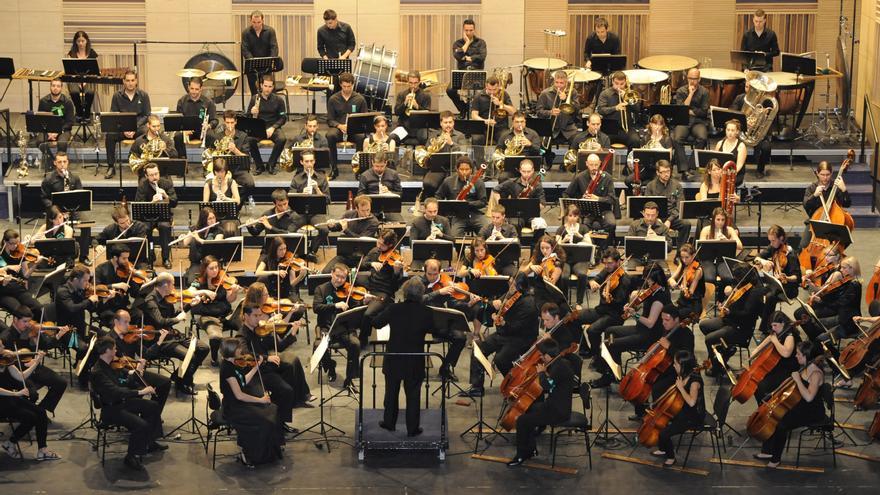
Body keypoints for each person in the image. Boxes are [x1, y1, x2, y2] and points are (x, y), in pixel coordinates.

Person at [89, 336, 165, 471]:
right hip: (111, 409)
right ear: (107, 351)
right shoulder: (98, 372)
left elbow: (124, 382)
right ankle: (131, 457)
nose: (116, 350)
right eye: (114, 348)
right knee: (142, 425)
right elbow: (116, 391)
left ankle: (150, 442)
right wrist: (140, 392)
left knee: (153, 407)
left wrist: (138, 370)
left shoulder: (110, 365)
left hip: (122, 402)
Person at [593, 262, 671, 388]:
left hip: (648, 336)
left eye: (648, 279)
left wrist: (635, 315)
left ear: (655, 280)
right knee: (610, 331)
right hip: (640, 329)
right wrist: (630, 305)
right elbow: (641, 302)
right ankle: (613, 371)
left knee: (610, 344)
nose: (646, 282)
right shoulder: (654, 291)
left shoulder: (659, 299)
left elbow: (650, 323)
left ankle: (610, 376)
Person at [372, 278, 434, 436]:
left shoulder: (394, 308)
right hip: (414, 360)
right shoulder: (426, 311)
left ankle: (389, 423)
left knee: (391, 392)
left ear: (405, 293)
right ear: (421, 294)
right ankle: (412, 429)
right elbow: (436, 330)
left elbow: (377, 323)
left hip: (394, 358)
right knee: (413, 395)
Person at [461, 274, 538, 398]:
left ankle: (514, 385)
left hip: (520, 338)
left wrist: (503, 322)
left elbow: (518, 328)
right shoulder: (510, 294)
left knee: (501, 359)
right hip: (504, 333)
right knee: (478, 348)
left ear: (521, 286)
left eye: (513, 284)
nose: (510, 286)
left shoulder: (528, 304)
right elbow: (494, 306)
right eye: (510, 283)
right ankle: (476, 387)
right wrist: (487, 303)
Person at [239, 304, 313, 432]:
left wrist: (293, 331)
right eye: (255, 316)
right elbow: (246, 355)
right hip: (257, 372)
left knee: (289, 367)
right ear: (246, 316)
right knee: (287, 390)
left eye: (260, 315)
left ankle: (279, 414)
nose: (259, 319)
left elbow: (280, 346)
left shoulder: (260, 330)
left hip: (266, 365)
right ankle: (278, 420)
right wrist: (267, 358)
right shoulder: (242, 335)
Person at [754, 342, 825, 468]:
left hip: (812, 411)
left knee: (780, 423)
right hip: (800, 404)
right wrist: (774, 393)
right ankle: (767, 451)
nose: (796, 356)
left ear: (806, 356)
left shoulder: (816, 374)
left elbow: (809, 397)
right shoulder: (805, 366)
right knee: (773, 415)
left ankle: (775, 459)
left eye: (798, 354)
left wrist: (797, 380)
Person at [506, 339, 575, 467]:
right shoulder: (559, 363)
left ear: (548, 356)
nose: (541, 358)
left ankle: (521, 455)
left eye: (542, 356)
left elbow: (547, 386)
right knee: (528, 410)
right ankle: (531, 449)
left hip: (558, 411)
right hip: (553, 405)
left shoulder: (559, 367)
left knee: (522, 421)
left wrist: (542, 373)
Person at [218, 337, 284, 467]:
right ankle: (252, 454)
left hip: (237, 403)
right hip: (233, 408)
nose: (241, 350)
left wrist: (256, 367)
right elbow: (240, 395)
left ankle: (271, 449)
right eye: (238, 348)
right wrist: (260, 400)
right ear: (232, 351)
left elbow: (242, 381)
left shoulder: (233, 364)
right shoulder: (227, 369)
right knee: (266, 419)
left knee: (273, 409)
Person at [0, 306, 69, 415]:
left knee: (61, 383)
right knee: (32, 394)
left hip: (33, 367)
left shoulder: (31, 331)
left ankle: (41, 410)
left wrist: (58, 335)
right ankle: (25, 414)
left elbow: (46, 345)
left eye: (29, 321)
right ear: (15, 319)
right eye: (24, 321)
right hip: (17, 373)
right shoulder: (5, 337)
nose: (28, 324)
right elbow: (4, 362)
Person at [420, 259, 479, 380]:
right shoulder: (418, 282)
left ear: (440, 272)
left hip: (438, 322)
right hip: (420, 322)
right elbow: (416, 298)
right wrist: (438, 292)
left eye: (435, 274)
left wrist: (468, 305)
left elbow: (454, 303)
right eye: (429, 274)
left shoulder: (445, 283)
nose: (432, 277)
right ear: (424, 271)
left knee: (460, 337)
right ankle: (417, 368)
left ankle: (445, 367)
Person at [700, 265, 764, 377]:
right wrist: (724, 303)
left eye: (737, 278)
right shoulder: (740, 285)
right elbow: (733, 301)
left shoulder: (755, 293)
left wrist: (730, 312)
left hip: (741, 328)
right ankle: (725, 350)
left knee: (709, 339)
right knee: (704, 325)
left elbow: (746, 314)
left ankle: (717, 367)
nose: (735, 281)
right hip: (730, 320)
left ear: (744, 278)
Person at [0, 347, 61, 461]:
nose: (4, 348)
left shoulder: (7, 362)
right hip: (3, 403)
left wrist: (37, 361)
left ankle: (43, 450)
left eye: (2, 345)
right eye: (0, 347)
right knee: (31, 418)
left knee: (41, 412)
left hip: (12, 398)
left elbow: (21, 376)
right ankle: (10, 443)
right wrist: (16, 394)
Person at [312, 263, 366, 390]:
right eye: (337, 276)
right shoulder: (321, 289)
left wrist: (363, 302)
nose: (340, 280)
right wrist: (335, 305)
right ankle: (330, 366)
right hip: (327, 327)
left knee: (355, 344)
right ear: (332, 273)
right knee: (317, 346)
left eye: (343, 277)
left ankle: (349, 378)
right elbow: (316, 307)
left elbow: (355, 308)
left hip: (344, 328)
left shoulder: (349, 291)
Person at [649, 350, 705, 466]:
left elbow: (691, 402)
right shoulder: (684, 374)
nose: (673, 365)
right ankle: (663, 448)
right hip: (684, 410)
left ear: (683, 366)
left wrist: (680, 388)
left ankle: (671, 457)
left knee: (664, 433)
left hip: (693, 416)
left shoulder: (695, 381)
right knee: (661, 423)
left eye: (675, 363)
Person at [108, 310, 172, 406]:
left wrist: (159, 341)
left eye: (129, 322)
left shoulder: (132, 337)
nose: (128, 325)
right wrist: (131, 371)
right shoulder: (108, 340)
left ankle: (152, 414)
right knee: (141, 389)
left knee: (165, 382)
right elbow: (110, 365)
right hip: (120, 375)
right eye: (125, 322)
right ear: (116, 322)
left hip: (135, 371)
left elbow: (146, 354)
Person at [795, 256, 862, 348]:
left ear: (852, 268)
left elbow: (838, 304)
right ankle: (815, 346)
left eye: (844, 268)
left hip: (847, 321)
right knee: (813, 324)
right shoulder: (847, 281)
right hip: (841, 314)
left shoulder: (854, 285)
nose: (841, 270)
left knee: (819, 336)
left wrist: (821, 301)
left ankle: (830, 354)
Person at [579, 248, 630, 362]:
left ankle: (596, 355)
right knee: (574, 316)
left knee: (592, 330)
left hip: (614, 315)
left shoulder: (625, 279)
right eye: (605, 263)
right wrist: (592, 282)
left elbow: (620, 302)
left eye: (610, 263)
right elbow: (596, 279)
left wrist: (609, 298)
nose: (607, 266)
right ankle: (585, 349)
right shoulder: (607, 271)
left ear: (618, 262)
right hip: (601, 310)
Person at [39, 152, 91, 263]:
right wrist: (57, 210)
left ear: (68, 162)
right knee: (54, 227)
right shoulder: (48, 179)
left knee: (87, 224)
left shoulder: (74, 177)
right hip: (57, 210)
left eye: (64, 161)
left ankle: (84, 256)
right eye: (59, 162)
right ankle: (58, 255)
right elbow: (44, 198)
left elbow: (80, 194)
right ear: (55, 163)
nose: (62, 164)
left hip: (73, 209)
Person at [189, 255, 242, 364]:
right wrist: (204, 291)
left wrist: (235, 292)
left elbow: (230, 299)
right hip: (208, 317)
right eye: (211, 268)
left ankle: (239, 354)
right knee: (215, 336)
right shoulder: (198, 281)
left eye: (216, 267)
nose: (215, 271)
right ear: (205, 269)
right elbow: (189, 292)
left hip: (226, 316)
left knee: (245, 327)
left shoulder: (223, 280)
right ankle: (214, 358)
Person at [359, 230, 407, 349]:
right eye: (378, 242)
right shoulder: (375, 251)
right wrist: (371, 264)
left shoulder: (396, 260)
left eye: (382, 245)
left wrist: (396, 272)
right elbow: (362, 263)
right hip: (368, 286)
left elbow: (395, 287)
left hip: (383, 292)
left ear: (390, 245)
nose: (379, 246)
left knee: (367, 314)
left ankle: (363, 338)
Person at [564, 152, 617, 255]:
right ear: (586, 164)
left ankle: (602, 249)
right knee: (585, 225)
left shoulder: (607, 177)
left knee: (611, 224)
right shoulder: (580, 177)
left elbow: (612, 199)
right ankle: (590, 250)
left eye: (596, 165)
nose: (594, 167)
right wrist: (580, 199)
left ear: (600, 163)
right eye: (591, 164)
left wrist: (598, 198)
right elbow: (566, 194)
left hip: (604, 209)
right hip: (587, 210)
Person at [55, 264, 98, 388]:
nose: (87, 283)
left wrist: (97, 301)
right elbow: (72, 308)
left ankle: (82, 365)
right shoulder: (63, 292)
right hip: (67, 331)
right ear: (75, 280)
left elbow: (90, 308)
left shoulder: (81, 289)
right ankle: (83, 379)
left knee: (104, 340)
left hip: (81, 326)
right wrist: (89, 301)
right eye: (85, 280)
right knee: (83, 348)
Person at [754, 225, 801, 334]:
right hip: (777, 284)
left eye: (773, 240)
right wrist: (764, 262)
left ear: (781, 238)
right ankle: (773, 320)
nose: (771, 243)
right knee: (755, 292)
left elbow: (797, 278)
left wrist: (787, 277)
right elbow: (757, 257)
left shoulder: (791, 254)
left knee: (770, 296)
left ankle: (766, 329)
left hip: (789, 287)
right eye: (770, 241)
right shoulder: (774, 247)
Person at [106, 69, 151, 179]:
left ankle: (144, 165)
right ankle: (111, 166)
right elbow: (114, 114)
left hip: (138, 129)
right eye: (128, 80)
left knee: (147, 133)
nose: (130, 83)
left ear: (136, 81)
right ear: (123, 82)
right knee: (109, 135)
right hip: (122, 129)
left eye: (132, 80)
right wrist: (124, 129)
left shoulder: (144, 95)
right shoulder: (117, 96)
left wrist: (134, 127)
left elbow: (147, 115)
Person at [288, 148, 331, 261]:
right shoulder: (296, 179)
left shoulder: (322, 178)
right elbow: (290, 200)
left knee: (324, 230)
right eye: (306, 161)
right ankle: (299, 251)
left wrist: (317, 189)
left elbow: (328, 200)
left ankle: (312, 250)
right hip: (300, 212)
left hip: (316, 213)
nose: (309, 164)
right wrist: (302, 194)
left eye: (311, 161)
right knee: (289, 229)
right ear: (302, 162)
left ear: (314, 161)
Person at [134, 162, 178, 268]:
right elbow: (138, 205)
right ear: (146, 176)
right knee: (144, 228)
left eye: (156, 174)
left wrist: (166, 196)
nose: (155, 177)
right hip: (147, 217)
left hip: (163, 216)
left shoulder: (167, 183)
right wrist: (151, 203)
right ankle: (149, 255)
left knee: (164, 226)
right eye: (151, 175)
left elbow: (175, 202)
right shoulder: (142, 186)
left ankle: (165, 258)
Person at [750, 311, 800, 404]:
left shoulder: (790, 336)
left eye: (775, 325)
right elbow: (759, 348)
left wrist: (775, 341)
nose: (773, 328)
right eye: (772, 326)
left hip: (788, 369)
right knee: (757, 382)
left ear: (783, 323)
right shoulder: (777, 332)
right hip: (779, 365)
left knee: (760, 386)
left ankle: (767, 407)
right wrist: (753, 355)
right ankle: (763, 406)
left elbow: (786, 353)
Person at [322, 195, 380, 272]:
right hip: (346, 254)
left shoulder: (374, 222)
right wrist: (331, 225)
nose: (366, 213)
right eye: (363, 211)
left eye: (368, 210)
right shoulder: (349, 215)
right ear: (356, 208)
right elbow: (337, 227)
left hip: (363, 257)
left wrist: (346, 230)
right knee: (326, 272)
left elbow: (361, 239)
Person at [801, 160, 851, 249]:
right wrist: (814, 195)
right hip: (815, 223)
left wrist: (844, 190)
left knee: (835, 249)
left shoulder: (836, 187)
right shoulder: (812, 188)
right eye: (822, 175)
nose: (825, 178)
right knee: (803, 245)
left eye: (827, 175)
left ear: (831, 173)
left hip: (832, 224)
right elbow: (806, 205)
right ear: (817, 173)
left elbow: (847, 204)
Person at [435, 155, 489, 237]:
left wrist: (467, 204)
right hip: (457, 216)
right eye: (461, 169)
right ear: (457, 170)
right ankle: (460, 250)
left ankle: (478, 248)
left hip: (475, 214)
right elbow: (438, 197)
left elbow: (483, 202)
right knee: (454, 236)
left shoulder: (478, 182)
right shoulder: (448, 181)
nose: (464, 172)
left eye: (467, 169)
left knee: (487, 232)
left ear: (471, 170)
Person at [326, 72, 368, 178]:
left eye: (349, 86)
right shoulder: (333, 99)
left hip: (354, 130)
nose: (346, 89)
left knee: (361, 137)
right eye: (344, 86)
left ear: (352, 85)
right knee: (330, 135)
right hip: (339, 129)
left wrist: (353, 127)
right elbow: (330, 120)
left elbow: (365, 119)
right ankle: (334, 168)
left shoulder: (360, 99)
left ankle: (359, 169)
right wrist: (339, 126)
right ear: (340, 85)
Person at [422, 112, 470, 199]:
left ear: (453, 123)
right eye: (445, 122)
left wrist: (451, 143)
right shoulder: (434, 135)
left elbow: (464, 152)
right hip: (437, 168)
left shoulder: (460, 136)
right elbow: (427, 151)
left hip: (455, 169)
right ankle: (431, 202)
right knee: (428, 183)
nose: (448, 125)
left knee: (453, 185)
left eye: (450, 122)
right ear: (441, 123)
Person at [94, 243, 144, 327]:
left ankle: (135, 339)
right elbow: (95, 288)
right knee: (118, 322)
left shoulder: (126, 270)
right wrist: (114, 285)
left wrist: (135, 279)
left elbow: (134, 293)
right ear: (115, 258)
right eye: (124, 258)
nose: (127, 261)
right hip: (106, 308)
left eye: (127, 258)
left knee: (139, 314)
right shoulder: (101, 269)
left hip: (123, 306)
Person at [247, 75, 287, 175]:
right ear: (261, 86)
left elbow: (283, 118)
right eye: (265, 86)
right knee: (249, 139)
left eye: (270, 86)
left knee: (282, 139)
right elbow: (247, 117)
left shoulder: (279, 100)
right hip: (259, 127)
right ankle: (259, 165)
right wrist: (252, 113)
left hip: (273, 127)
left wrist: (273, 128)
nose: (267, 89)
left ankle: (271, 164)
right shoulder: (254, 99)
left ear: (273, 87)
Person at [671, 68, 709, 177]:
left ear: (699, 79)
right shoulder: (681, 91)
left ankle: (691, 167)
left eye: (695, 79)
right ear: (687, 78)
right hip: (684, 121)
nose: (692, 81)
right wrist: (691, 94)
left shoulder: (704, 92)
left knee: (702, 137)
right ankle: (684, 170)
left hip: (698, 122)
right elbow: (681, 109)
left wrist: (691, 111)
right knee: (676, 138)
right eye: (690, 78)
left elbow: (704, 112)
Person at [491, 159, 546, 230]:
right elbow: (495, 190)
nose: (526, 174)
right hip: (516, 216)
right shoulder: (512, 182)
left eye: (529, 171)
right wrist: (501, 206)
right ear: (520, 170)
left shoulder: (537, 185)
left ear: (533, 170)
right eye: (524, 171)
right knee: (515, 224)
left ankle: (536, 241)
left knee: (540, 224)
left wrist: (528, 202)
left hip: (532, 215)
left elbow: (543, 204)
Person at [645, 160, 690, 247]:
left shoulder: (677, 185)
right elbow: (648, 205)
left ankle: (679, 254)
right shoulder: (650, 186)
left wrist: (670, 220)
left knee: (686, 224)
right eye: (663, 172)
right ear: (658, 173)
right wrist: (656, 219)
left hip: (672, 217)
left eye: (668, 171)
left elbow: (680, 204)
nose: (666, 174)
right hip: (656, 217)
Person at [447, 19, 487, 114]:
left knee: (483, 93)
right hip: (462, 73)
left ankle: (476, 112)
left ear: (474, 30)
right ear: (463, 30)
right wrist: (467, 42)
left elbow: (482, 57)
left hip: (477, 73)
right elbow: (457, 56)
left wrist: (468, 58)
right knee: (450, 90)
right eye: (466, 30)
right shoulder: (457, 43)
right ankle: (463, 109)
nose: (468, 32)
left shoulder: (481, 43)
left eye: (471, 30)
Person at [626, 114, 674, 192]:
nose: (657, 127)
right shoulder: (646, 138)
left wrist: (660, 148)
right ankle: (638, 191)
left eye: (660, 124)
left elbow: (670, 158)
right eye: (655, 124)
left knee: (654, 185)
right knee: (628, 180)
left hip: (660, 170)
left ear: (662, 126)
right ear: (651, 125)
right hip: (647, 168)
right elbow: (641, 155)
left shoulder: (666, 139)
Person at [557, 204, 594, 304]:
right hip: (566, 260)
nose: (572, 218)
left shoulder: (583, 228)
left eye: (575, 216)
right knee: (564, 277)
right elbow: (556, 247)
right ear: (566, 216)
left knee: (582, 275)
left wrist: (580, 236)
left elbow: (590, 245)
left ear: (578, 217)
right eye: (570, 215)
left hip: (580, 260)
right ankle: (564, 301)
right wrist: (564, 240)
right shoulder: (561, 229)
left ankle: (579, 302)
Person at [212, 111, 255, 196]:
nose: (230, 125)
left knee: (250, 184)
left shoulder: (243, 136)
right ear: (224, 122)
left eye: (232, 122)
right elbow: (212, 155)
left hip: (238, 169)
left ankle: (236, 204)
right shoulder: (218, 136)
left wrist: (235, 150)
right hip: (222, 170)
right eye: (227, 122)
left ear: (236, 122)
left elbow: (247, 157)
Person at [0, 230, 42, 315]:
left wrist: (35, 265)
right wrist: (7, 267)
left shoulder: (20, 252)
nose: (15, 246)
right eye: (12, 243)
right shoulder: (1, 255)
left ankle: (38, 327)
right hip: (3, 292)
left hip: (18, 288)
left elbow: (25, 275)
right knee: (21, 312)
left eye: (17, 243)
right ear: (5, 242)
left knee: (37, 307)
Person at [173, 77, 217, 160]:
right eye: (192, 88)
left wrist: (208, 126)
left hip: (202, 131)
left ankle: (209, 161)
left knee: (212, 137)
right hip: (187, 130)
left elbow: (215, 120)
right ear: (188, 87)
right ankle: (182, 159)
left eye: (197, 89)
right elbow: (178, 119)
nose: (194, 91)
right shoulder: (182, 101)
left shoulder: (208, 102)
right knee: (177, 136)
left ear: (201, 89)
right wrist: (184, 129)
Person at [34, 77, 74, 165]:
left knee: (62, 143)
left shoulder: (67, 102)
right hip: (47, 130)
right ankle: (53, 160)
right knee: (39, 141)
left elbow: (70, 122)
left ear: (61, 88)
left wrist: (58, 132)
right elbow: (40, 119)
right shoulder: (43, 101)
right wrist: (48, 132)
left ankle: (60, 162)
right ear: (50, 87)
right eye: (53, 85)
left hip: (63, 130)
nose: (55, 88)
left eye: (58, 86)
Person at [731, 92, 772, 178]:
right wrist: (745, 120)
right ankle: (735, 169)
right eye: (747, 86)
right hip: (741, 132)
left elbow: (770, 119)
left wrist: (762, 116)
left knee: (766, 147)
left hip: (758, 133)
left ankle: (760, 170)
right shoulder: (740, 98)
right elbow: (732, 115)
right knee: (731, 142)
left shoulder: (767, 101)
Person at [255, 236, 308, 302]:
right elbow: (258, 273)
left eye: (285, 248)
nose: (283, 252)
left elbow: (292, 283)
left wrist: (300, 276)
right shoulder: (268, 258)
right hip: (272, 292)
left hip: (286, 292)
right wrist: (275, 272)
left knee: (298, 310)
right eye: (280, 249)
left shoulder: (289, 260)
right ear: (275, 249)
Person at [596, 71, 641, 149]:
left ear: (625, 83)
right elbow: (600, 110)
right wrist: (615, 108)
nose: (619, 86)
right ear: (612, 81)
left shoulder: (629, 94)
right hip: (609, 129)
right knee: (602, 141)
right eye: (616, 83)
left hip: (627, 129)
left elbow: (637, 110)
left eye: (622, 84)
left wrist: (628, 100)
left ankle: (630, 160)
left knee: (635, 140)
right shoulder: (605, 94)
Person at [536, 71, 580, 149]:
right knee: (541, 145)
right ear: (554, 81)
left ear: (566, 83)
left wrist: (566, 99)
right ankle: (547, 159)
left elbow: (577, 110)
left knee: (578, 141)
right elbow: (538, 112)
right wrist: (550, 112)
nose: (558, 85)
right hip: (550, 128)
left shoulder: (572, 92)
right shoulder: (545, 93)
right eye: (556, 82)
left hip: (568, 128)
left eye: (561, 83)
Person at [241, 10, 281, 95]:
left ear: (262, 21)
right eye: (254, 22)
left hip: (267, 66)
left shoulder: (270, 31)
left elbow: (274, 47)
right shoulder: (246, 33)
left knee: (268, 92)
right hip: (252, 68)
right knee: (254, 93)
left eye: (258, 22)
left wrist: (270, 60)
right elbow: (245, 49)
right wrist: (253, 61)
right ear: (250, 21)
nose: (256, 25)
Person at [180, 206, 224, 284]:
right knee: (192, 282)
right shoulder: (195, 228)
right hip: (197, 263)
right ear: (204, 220)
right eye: (210, 219)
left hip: (211, 263)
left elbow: (215, 245)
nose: (213, 221)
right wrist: (184, 237)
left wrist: (198, 238)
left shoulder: (219, 231)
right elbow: (185, 243)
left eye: (213, 218)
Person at [357, 152, 403, 221]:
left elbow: (400, 193)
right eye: (376, 166)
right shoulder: (365, 175)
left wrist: (389, 192)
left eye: (382, 166)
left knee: (401, 228)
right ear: (372, 163)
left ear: (386, 163)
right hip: (370, 208)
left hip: (389, 208)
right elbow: (360, 195)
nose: (379, 169)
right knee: (370, 225)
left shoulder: (393, 174)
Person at [470, 75, 515, 146]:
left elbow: (513, 112)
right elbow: (474, 115)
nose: (492, 92)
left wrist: (501, 104)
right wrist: (485, 121)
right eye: (490, 90)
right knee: (477, 139)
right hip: (483, 127)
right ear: (486, 86)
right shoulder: (478, 96)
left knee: (507, 138)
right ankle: (478, 157)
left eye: (494, 90)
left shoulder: (504, 94)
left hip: (500, 127)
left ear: (498, 86)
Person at [202, 161, 240, 237]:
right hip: (213, 218)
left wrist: (226, 199)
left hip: (229, 217)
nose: (220, 174)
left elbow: (238, 201)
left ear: (226, 171)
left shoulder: (231, 182)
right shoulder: (208, 184)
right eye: (217, 172)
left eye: (222, 172)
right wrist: (215, 202)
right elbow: (205, 206)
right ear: (214, 171)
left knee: (229, 230)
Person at [66, 30, 99, 120]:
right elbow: (70, 72)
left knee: (90, 91)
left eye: (82, 41)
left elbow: (95, 72)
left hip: (88, 80)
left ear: (86, 41)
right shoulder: (71, 54)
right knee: (73, 91)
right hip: (76, 81)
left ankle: (87, 112)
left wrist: (85, 81)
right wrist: (78, 82)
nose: (80, 43)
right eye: (78, 41)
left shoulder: (92, 53)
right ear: (75, 42)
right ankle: (79, 111)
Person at [393, 71, 432, 145]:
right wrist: (404, 103)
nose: (413, 86)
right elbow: (396, 112)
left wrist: (417, 106)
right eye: (411, 83)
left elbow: (427, 115)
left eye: (415, 83)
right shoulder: (401, 94)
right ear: (407, 82)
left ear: (419, 82)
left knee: (423, 138)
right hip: (404, 126)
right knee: (393, 137)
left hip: (419, 126)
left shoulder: (426, 96)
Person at [667, 244, 704, 320]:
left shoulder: (698, 270)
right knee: (665, 310)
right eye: (682, 257)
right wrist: (673, 283)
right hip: (682, 302)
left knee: (673, 316)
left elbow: (690, 293)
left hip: (693, 305)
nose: (684, 260)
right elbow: (670, 279)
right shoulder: (683, 264)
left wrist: (683, 288)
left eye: (687, 257)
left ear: (693, 255)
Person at [714, 119, 747, 185]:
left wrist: (726, 174)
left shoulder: (741, 146)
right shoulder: (719, 143)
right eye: (728, 130)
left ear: (737, 131)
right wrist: (718, 172)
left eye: (732, 130)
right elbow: (715, 161)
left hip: (735, 174)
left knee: (724, 182)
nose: (730, 133)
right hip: (721, 172)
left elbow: (738, 166)